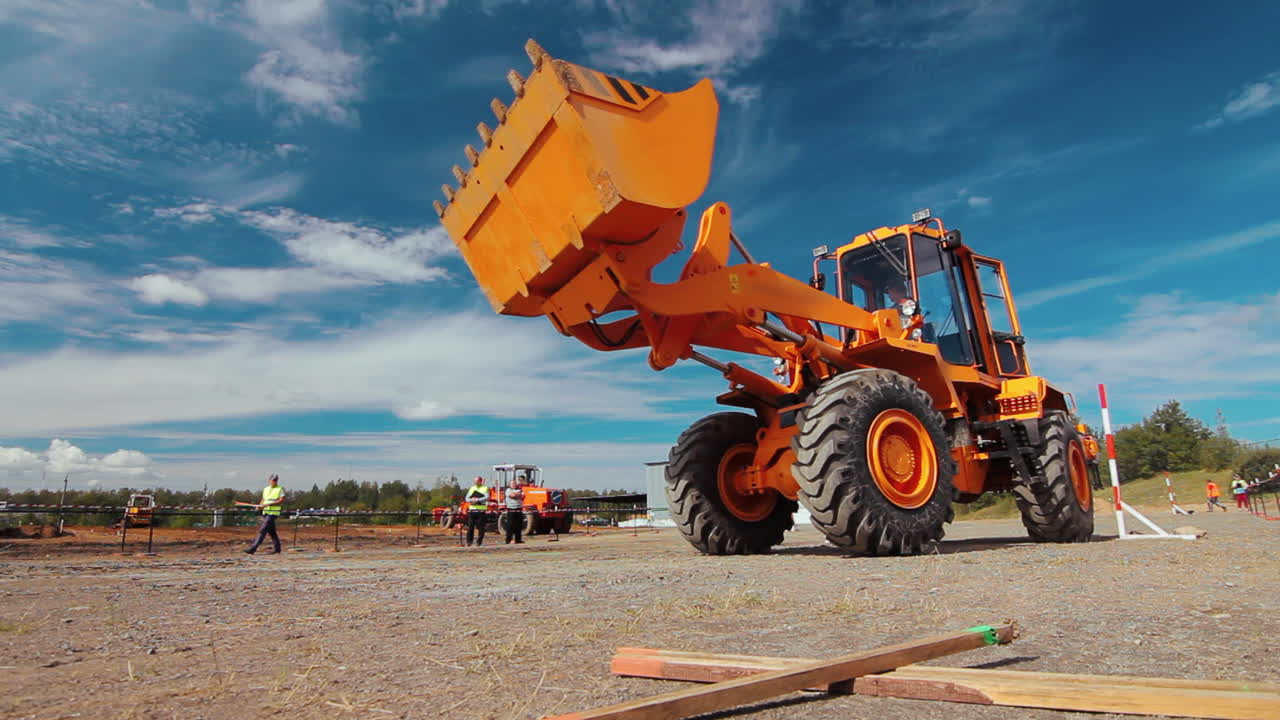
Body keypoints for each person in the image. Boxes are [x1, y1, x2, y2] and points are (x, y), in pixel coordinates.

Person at [244, 474, 286, 554]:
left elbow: (282, 500)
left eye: (276, 480)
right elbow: (263, 500)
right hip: (265, 512)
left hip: (273, 513)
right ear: (269, 480)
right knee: (272, 532)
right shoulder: (266, 489)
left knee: (263, 529)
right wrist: (260, 506)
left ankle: (253, 548)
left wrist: (270, 504)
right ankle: (277, 548)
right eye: (273, 480)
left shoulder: (280, 489)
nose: (275, 481)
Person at [464, 476, 490, 546]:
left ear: (480, 481)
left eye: (477, 481)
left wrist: (478, 500)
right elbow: (466, 498)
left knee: (481, 528)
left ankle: (479, 542)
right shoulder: (472, 488)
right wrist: (472, 500)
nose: (475, 482)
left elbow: (487, 497)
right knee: (470, 527)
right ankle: (469, 542)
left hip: (481, 511)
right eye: (474, 481)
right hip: (472, 510)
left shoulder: (485, 488)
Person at [503, 475, 527, 545]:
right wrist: (517, 494)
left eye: (515, 483)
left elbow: (523, 496)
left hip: (519, 509)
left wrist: (516, 494)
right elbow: (512, 496)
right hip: (511, 510)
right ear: (510, 485)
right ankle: (508, 540)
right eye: (512, 484)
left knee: (519, 526)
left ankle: (518, 539)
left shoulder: (520, 489)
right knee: (510, 526)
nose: (514, 485)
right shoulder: (508, 490)